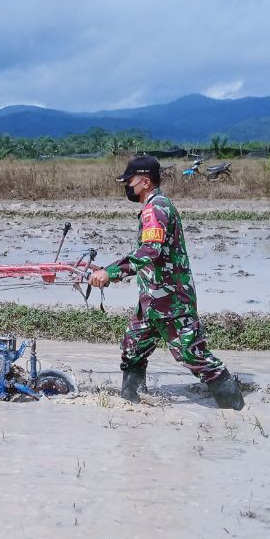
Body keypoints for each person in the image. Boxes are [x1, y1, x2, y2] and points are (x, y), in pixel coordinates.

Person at [88, 155, 245, 409]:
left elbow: (151, 250)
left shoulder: (156, 209)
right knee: (132, 349)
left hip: (171, 300)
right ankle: (132, 406)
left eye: (130, 181)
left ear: (146, 182)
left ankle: (236, 411)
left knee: (192, 355)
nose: (127, 185)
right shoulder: (152, 207)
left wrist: (111, 272)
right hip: (151, 301)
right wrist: (106, 269)